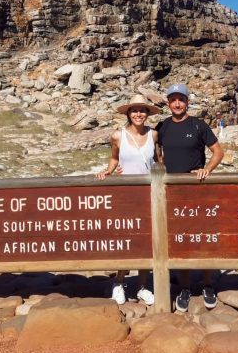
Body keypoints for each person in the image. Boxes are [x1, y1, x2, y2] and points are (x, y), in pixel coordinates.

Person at [157, 83, 224, 312]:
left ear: (187, 102)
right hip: (172, 191)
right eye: (173, 99)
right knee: (180, 238)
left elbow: (218, 151)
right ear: (168, 103)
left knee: (203, 236)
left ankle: (207, 284)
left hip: (197, 190)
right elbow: (156, 153)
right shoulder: (163, 126)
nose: (177, 103)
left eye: (181, 100)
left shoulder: (198, 125)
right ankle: (185, 287)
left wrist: (208, 170)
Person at [96, 94, 161, 306]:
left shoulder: (154, 135)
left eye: (142, 110)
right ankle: (119, 281)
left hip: (149, 193)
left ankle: (142, 286)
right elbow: (115, 157)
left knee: (146, 240)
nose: (139, 114)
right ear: (128, 113)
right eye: (134, 110)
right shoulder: (118, 135)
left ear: (148, 113)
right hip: (126, 194)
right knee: (127, 238)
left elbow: (159, 161)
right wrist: (108, 171)